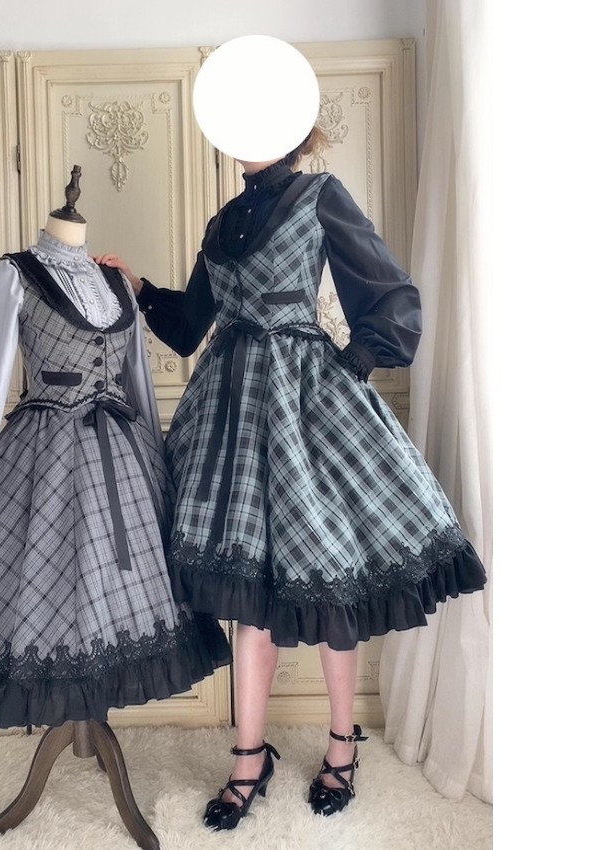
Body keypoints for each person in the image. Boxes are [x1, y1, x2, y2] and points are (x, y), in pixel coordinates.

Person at [93, 126, 487, 828]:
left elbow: (389, 290)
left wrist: (356, 361)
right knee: (248, 597)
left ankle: (342, 744)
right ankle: (250, 758)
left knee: (329, 578)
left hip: (308, 405)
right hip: (229, 415)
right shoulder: (223, 222)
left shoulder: (319, 195)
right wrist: (140, 287)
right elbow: (190, 326)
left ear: (292, 129)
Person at [0, 167, 232, 730]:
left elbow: (136, 380)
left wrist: (157, 465)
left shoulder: (115, 282)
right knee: (43, 581)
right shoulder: (14, 274)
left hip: (124, 454)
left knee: (117, 593)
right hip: (40, 456)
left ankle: (93, 717)